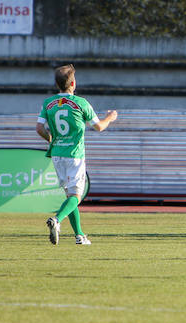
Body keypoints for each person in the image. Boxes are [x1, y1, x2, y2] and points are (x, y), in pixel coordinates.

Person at [36, 64, 118, 246]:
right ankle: (57, 219)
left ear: (57, 84)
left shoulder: (48, 103)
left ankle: (79, 236)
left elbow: (39, 128)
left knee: (70, 196)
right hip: (74, 155)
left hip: (57, 154)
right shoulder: (81, 103)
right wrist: (110, 118)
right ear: (73, 83)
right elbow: (99, 126)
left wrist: (51, 139)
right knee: (76, 197)